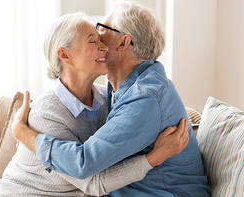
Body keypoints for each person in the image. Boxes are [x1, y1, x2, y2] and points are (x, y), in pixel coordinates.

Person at [13, 1, 211, 197]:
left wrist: (23, 133)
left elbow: (84, 163)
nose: (99, 37)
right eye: (92, 38)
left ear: (123, 42)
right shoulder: (119, 89)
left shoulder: (144, 98)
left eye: (101, 29)